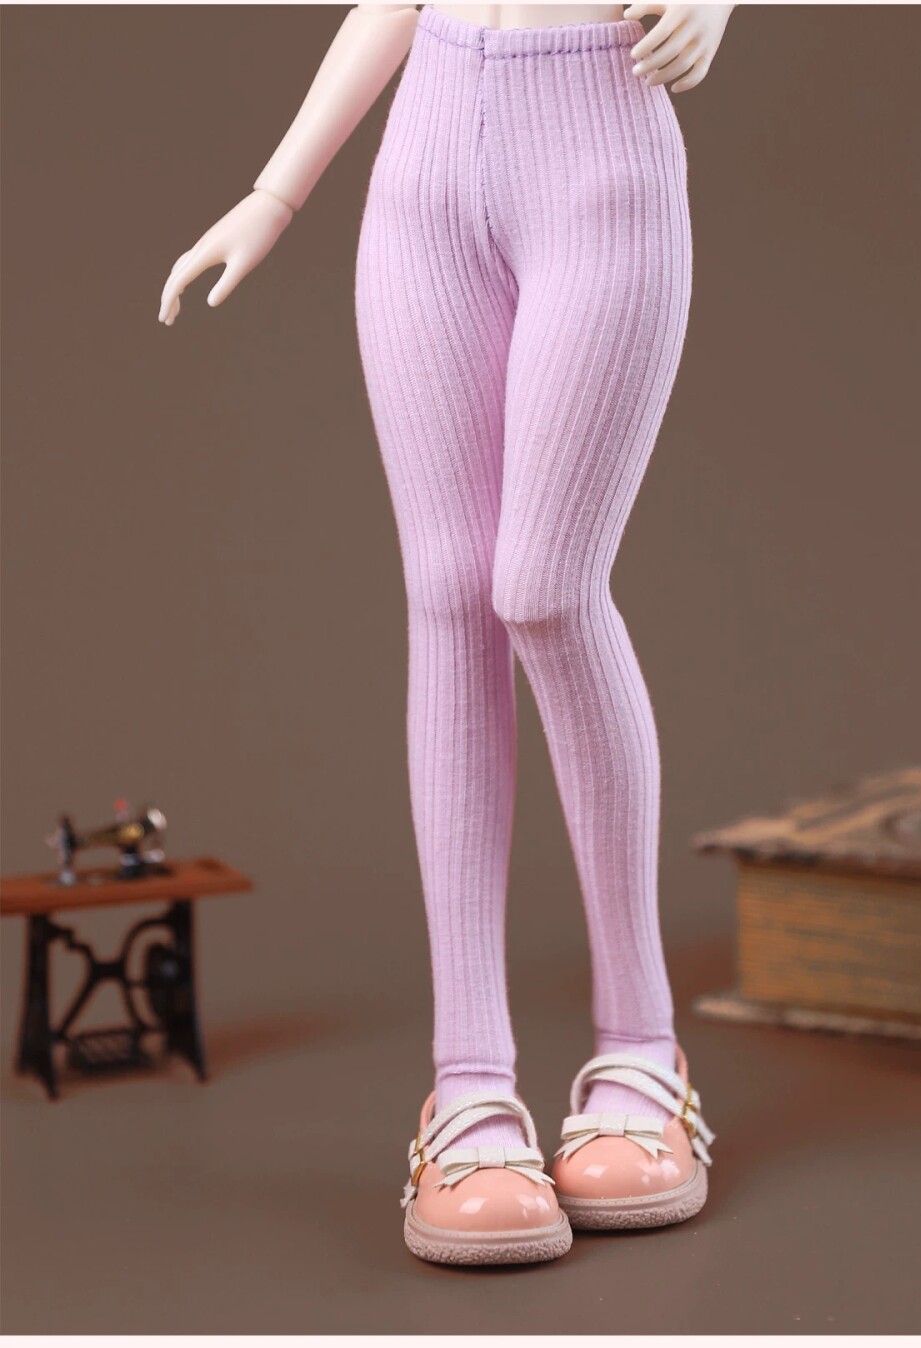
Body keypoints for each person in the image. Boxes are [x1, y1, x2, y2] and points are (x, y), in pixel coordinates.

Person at [158, 2, 734, 1266]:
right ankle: (468, 1084)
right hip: (424, 168)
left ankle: (641, 1047)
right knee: (449, 594)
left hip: (601, 144)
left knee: (546, 586)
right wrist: (273, 193)